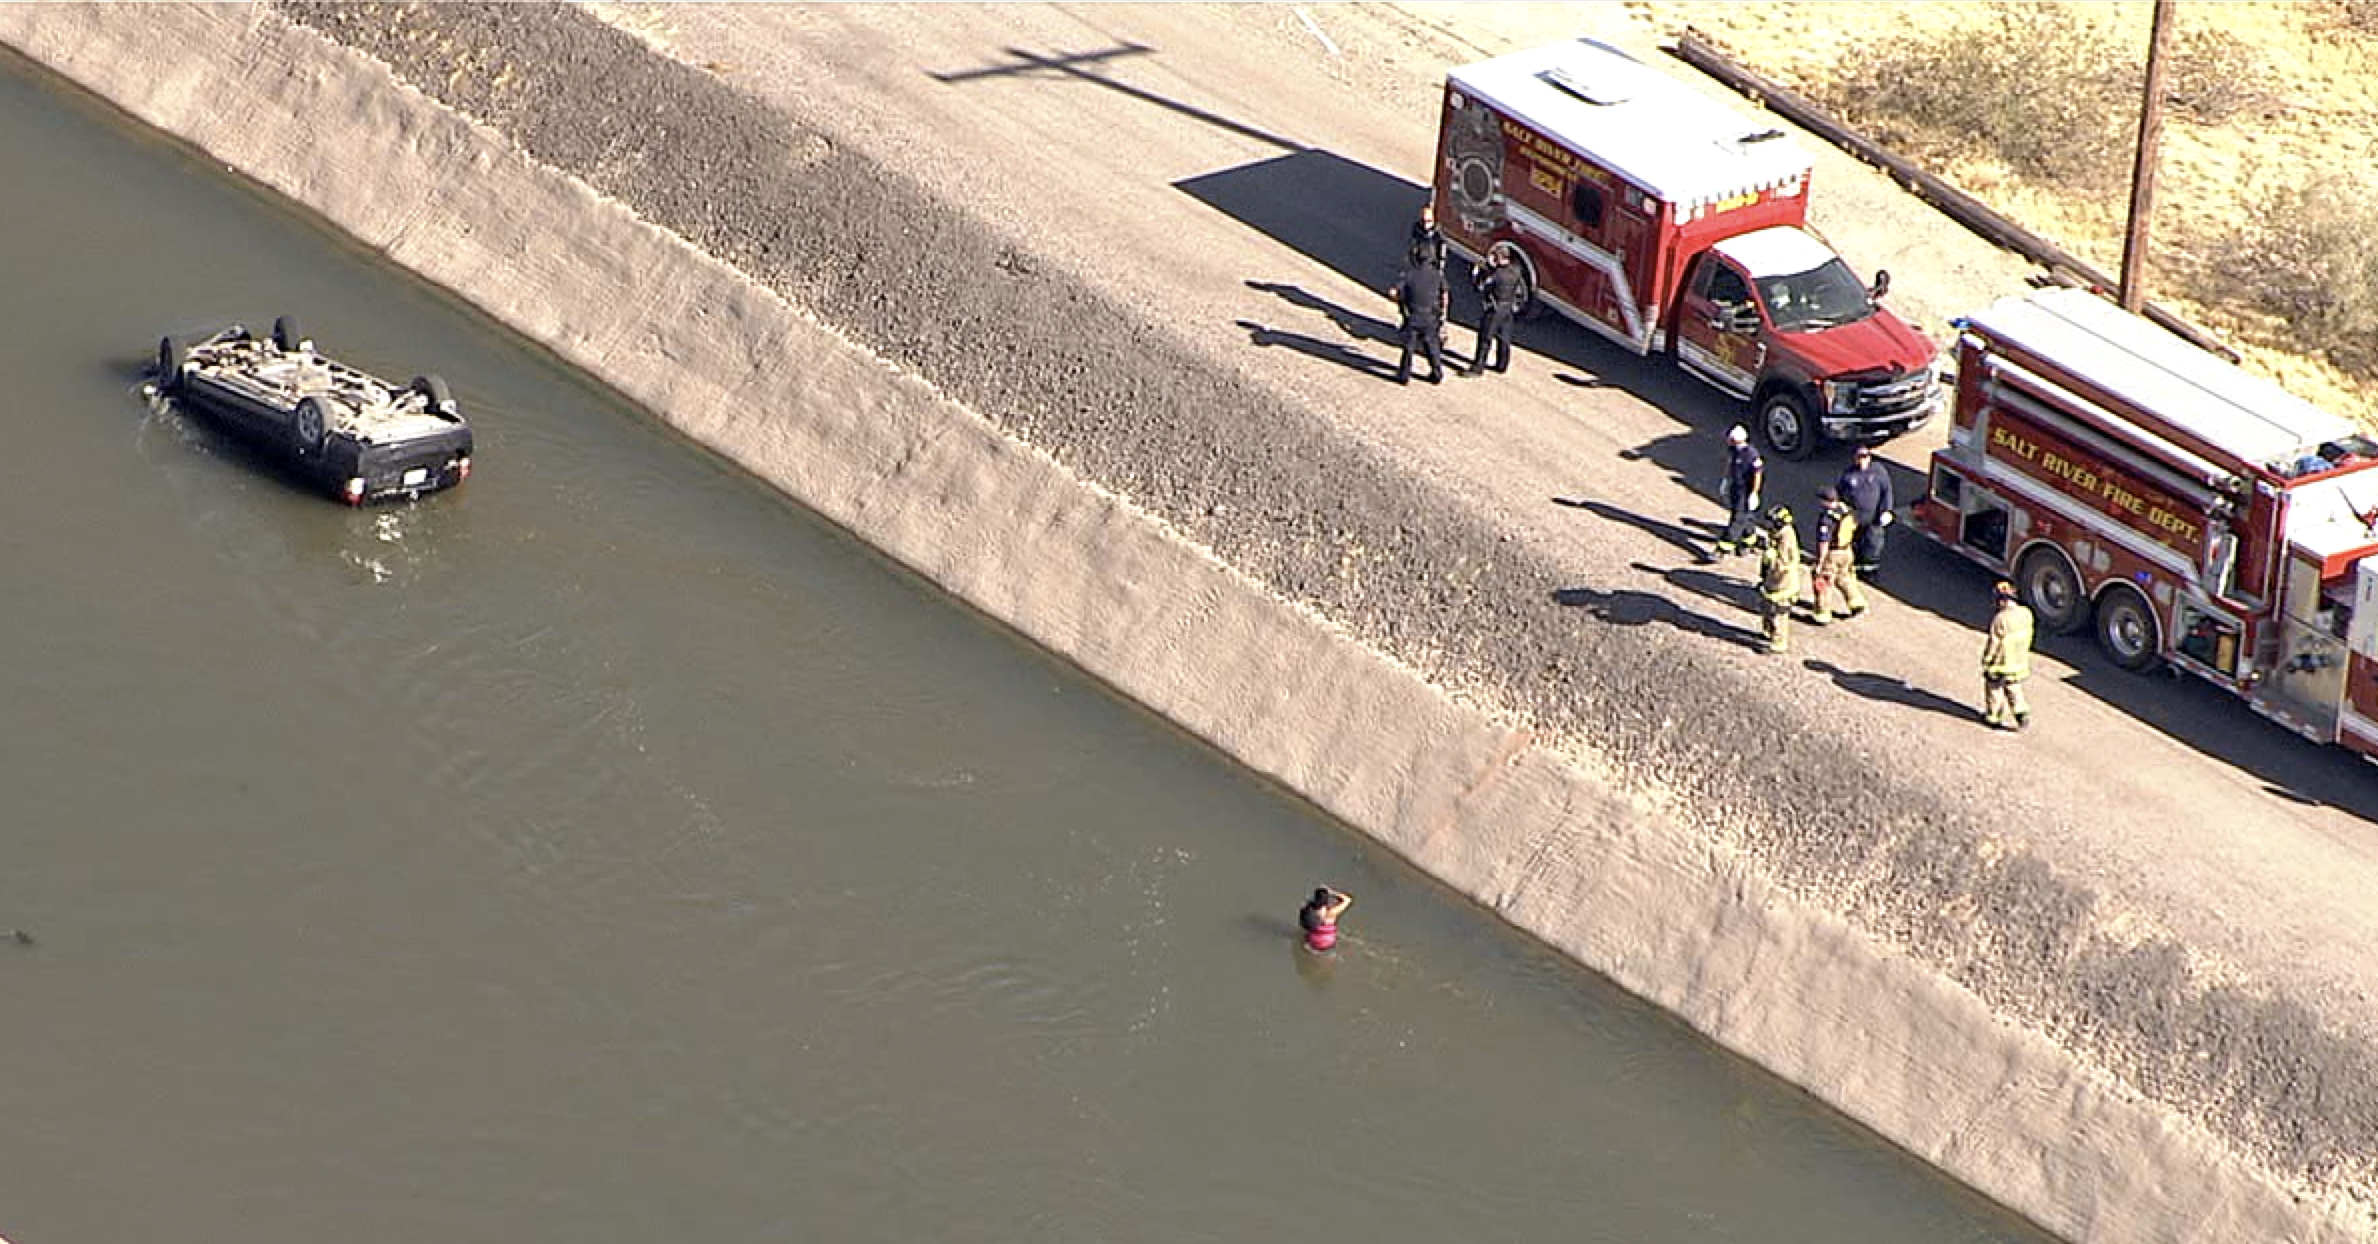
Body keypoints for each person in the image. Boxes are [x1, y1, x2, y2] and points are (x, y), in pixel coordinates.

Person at [1835, 444, 1896, 580]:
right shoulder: (1848, 474)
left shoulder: (1879, 472)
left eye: (1865, 456)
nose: (1862, 460)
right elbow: (1840, 492)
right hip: (1855, 518)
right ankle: (1855, 568)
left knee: (1873, 544)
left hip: (1874, 518)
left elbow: (1887, 491)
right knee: (1854, 543)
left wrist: (1887, 510)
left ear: (1869, 458)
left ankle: (1870, 572)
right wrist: (1841, 508)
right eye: (1859, 457)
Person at [1808, 485, 1867, 623]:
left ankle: (1822, 614)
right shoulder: (1847, 510)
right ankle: (1857, 603)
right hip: (1847, 551)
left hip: (1833, 553)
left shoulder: (1827, 518)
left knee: (1823, 582)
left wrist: (1820, 562)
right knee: (1844, 578)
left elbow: (1824, 541)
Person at [1751, 504, 1805, 655]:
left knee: (1778, 612)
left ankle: (1779, 642)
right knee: (1766, 607)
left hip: (1783, 581)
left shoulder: (1786, 537)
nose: (1768, 525)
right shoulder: (1777, 533)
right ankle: (1768, 632)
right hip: (1772, 578)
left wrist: (1771, 558)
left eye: (1771, 522)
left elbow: (1784, 563)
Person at [1981, 579, 2034, 730]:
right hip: (2019, 661)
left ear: (2002, 600)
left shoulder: (2001, 619)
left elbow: (1993, 643)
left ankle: (1993, 718)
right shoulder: (2026, 613)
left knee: (1994, 688)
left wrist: (1986, 661)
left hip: (2001, 663)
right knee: (2013, 687)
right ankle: (2021, 714)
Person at [1467, 244, 1525, 376]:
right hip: (1508, 309)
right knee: (1504, 338)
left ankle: (1477, 367)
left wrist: (1476, 273)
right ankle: (1502, 365)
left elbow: (1480, 287)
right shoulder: (1516, 271)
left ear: (1500, 257)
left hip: (1494, 309)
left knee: (1485, 338)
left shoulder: (1496, 275)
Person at [1389, 259, 1449, 385]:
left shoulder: (1409, 274)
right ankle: (1437, 374)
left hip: (1413, 316)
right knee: (1432, 346)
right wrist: (1443, 315)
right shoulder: (1437, 275)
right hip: (1431, 317)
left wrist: (1401, 301)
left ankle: (1404, 375)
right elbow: (1445, 296)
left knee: (1409, 347)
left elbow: (1392, 292)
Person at [1712, 425, 1763, 557]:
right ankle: (1748, 541)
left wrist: (1754, 493)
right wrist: (1726, 480)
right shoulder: (1733, 450)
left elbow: (1757, 475)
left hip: (1746, 490)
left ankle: (1723, 548)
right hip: (1735, 487)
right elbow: (1730, 464)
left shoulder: (1751, 454)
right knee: (1746, 516)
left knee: (1738, 518)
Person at [1299, 886, 1353, 952]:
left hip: (1311, 943)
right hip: (1328, 943)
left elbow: (1302, 924)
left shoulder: (1309, 910)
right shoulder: (1332, 912)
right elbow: (1347, 900)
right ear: (1327, 900)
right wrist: (1332, 892)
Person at [1409, 201, 1447, 270]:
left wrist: (1440, 263)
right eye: (1423, 221)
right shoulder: (1417, 229)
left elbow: (1442, 246)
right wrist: (1414, 260)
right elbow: (1413, 245)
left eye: (1429, 221)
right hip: (1421, 261)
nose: (1426, 224)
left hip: (1433, 263)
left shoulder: (1437, 232)